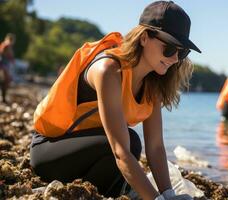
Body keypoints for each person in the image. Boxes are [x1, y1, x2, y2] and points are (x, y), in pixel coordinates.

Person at [30, 1, 201, 200]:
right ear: (144, 37)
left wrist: (169, 194)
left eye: (182, 52)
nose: (175, 59)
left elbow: (155, 147)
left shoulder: (153, 84)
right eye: (170, 48)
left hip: (91, 151)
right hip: (50, 149)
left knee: (130, 145)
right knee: (129, 143)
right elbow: (120, 152)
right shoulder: (108, 70)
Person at [0, 33, 16, 103]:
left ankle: (3, 98)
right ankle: (3, 98)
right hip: (3, 66)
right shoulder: (7, 44)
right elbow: (4, 54)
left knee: (5, 81)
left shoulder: (5, 44)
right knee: (5, 81)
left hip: (5, 65)